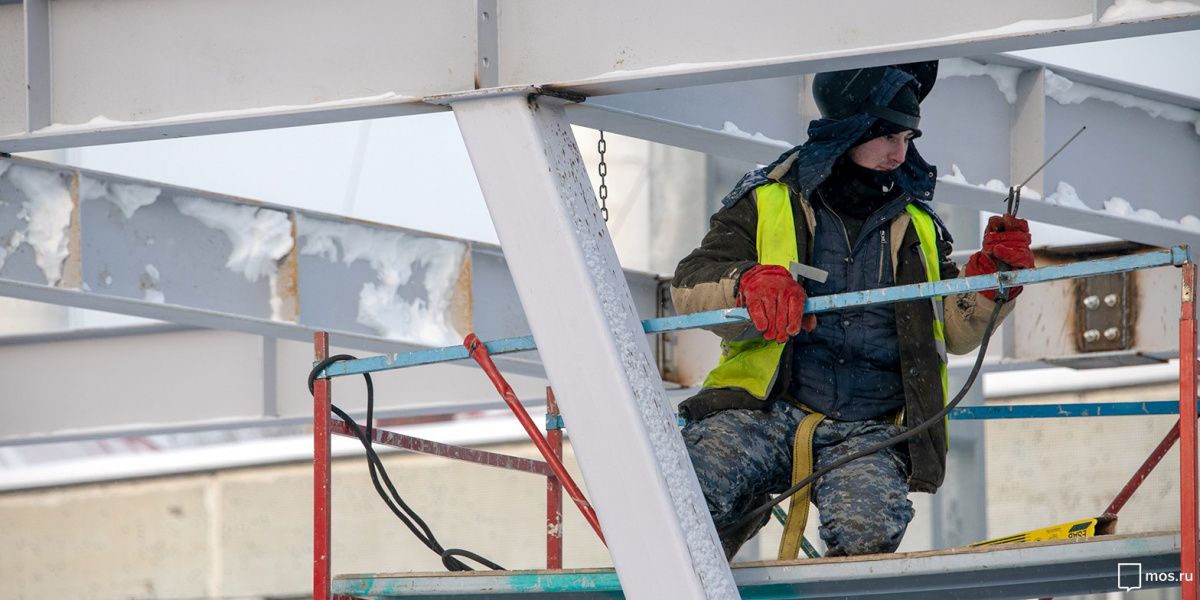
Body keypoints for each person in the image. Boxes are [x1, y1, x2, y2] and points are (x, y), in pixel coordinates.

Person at [670, 61, 1035, 559]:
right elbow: (691, 284)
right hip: (765, 410)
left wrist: (992, 281)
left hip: (869, 428)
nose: (899, 152)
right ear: (850, 129)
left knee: (866, 535)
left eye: (907, 137)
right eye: (886, 135)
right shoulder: (767, 199)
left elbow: (953, 331)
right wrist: (747, 285)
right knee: (685, 492)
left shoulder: (919, 224)